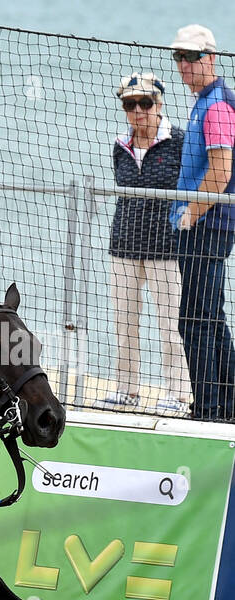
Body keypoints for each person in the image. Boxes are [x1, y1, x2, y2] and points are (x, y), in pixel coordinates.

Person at [101, 72, 190, 415]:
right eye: (129, 104)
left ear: (159, 104)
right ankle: (126, 390)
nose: (138, 110)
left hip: (167, 249)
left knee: (171, 325)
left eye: (145, 103)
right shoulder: (120, 145)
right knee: (124, 323)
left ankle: (178, 394)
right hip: (123, 246)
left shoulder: (180, 141)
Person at [170, 24, 235, 422]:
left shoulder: (217, 104)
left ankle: (209, 411)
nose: (183, 65)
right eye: (178, 57)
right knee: (210, 317)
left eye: (191, 57)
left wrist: (190, 215)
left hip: (207, 225)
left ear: (210, 58)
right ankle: (226, 405)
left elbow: (221, 170)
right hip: (209, 224)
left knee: (194, 321)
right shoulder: (206, 100)